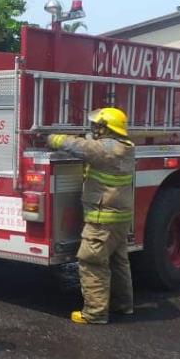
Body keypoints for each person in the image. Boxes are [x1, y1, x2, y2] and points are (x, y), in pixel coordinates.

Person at [47, 107, 135, 324]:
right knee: (118, 261)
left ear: (107, 128)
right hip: (119, 219)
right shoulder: (125, 147)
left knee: (91, 260)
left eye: (97, 125)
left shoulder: (104, 150)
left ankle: (95, 313)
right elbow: (92, 145)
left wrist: (53, 137)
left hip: (101, 219)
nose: (94, 129)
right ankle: (123, 304)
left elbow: (78, 146)